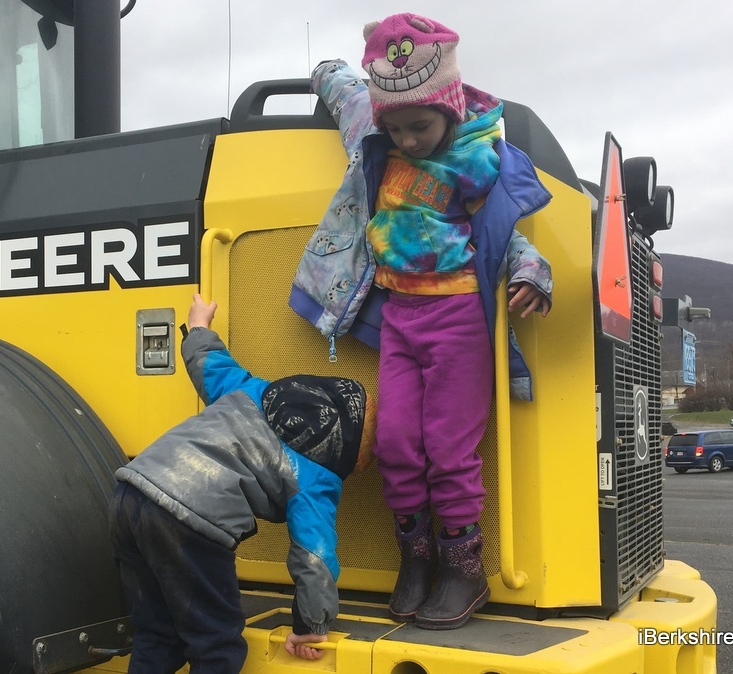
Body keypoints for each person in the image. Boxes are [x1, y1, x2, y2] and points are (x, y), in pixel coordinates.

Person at [288, 13, 554, 630]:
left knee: (447, 449)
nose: (407, 140)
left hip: (457, 318)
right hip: (400, 318)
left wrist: (531, 272)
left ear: (450, 108)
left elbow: (502, 235)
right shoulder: (376, 136)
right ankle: (417, 556)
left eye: (420, 126)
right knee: (394, 442)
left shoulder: (475, 161)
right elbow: (350, 96)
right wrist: (324, 71)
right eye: (396, 128)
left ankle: (464, 567)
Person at [109, 293, 376, 671]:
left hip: (131, 491)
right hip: (190, 519)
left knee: (157, 634)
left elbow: (209, 364)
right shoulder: (319, 476)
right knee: (215, 644)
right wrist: (310, 626)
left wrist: (198, 326)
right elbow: (315, 557)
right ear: (350, 457)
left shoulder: (252, 391)